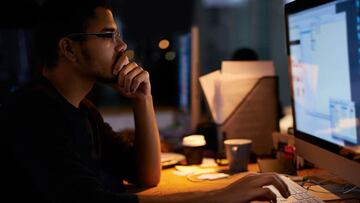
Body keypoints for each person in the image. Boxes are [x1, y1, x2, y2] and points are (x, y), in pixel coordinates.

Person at [0, 0, 290, 202]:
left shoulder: (83, 111)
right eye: (108, 36)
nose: (122, 46)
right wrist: (218, 196)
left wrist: (143, 99)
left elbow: (147, 175)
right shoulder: (33, 112)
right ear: (68, 49)